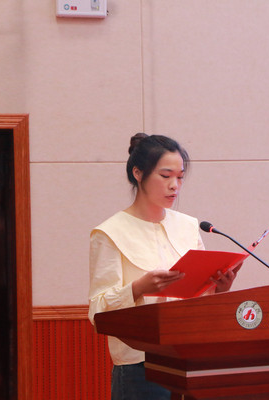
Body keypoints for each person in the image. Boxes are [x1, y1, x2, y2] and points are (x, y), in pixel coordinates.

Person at [88, 133, 237, 400]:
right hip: (140, 366)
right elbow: (97, 311)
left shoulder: (189, 226)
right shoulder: (109, 232)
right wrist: (137, 288)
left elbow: (200, 301)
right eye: (165, 176)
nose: (174, 186)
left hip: (189, 358)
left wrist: (219, 289)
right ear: (138, 173)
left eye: (180, 177)